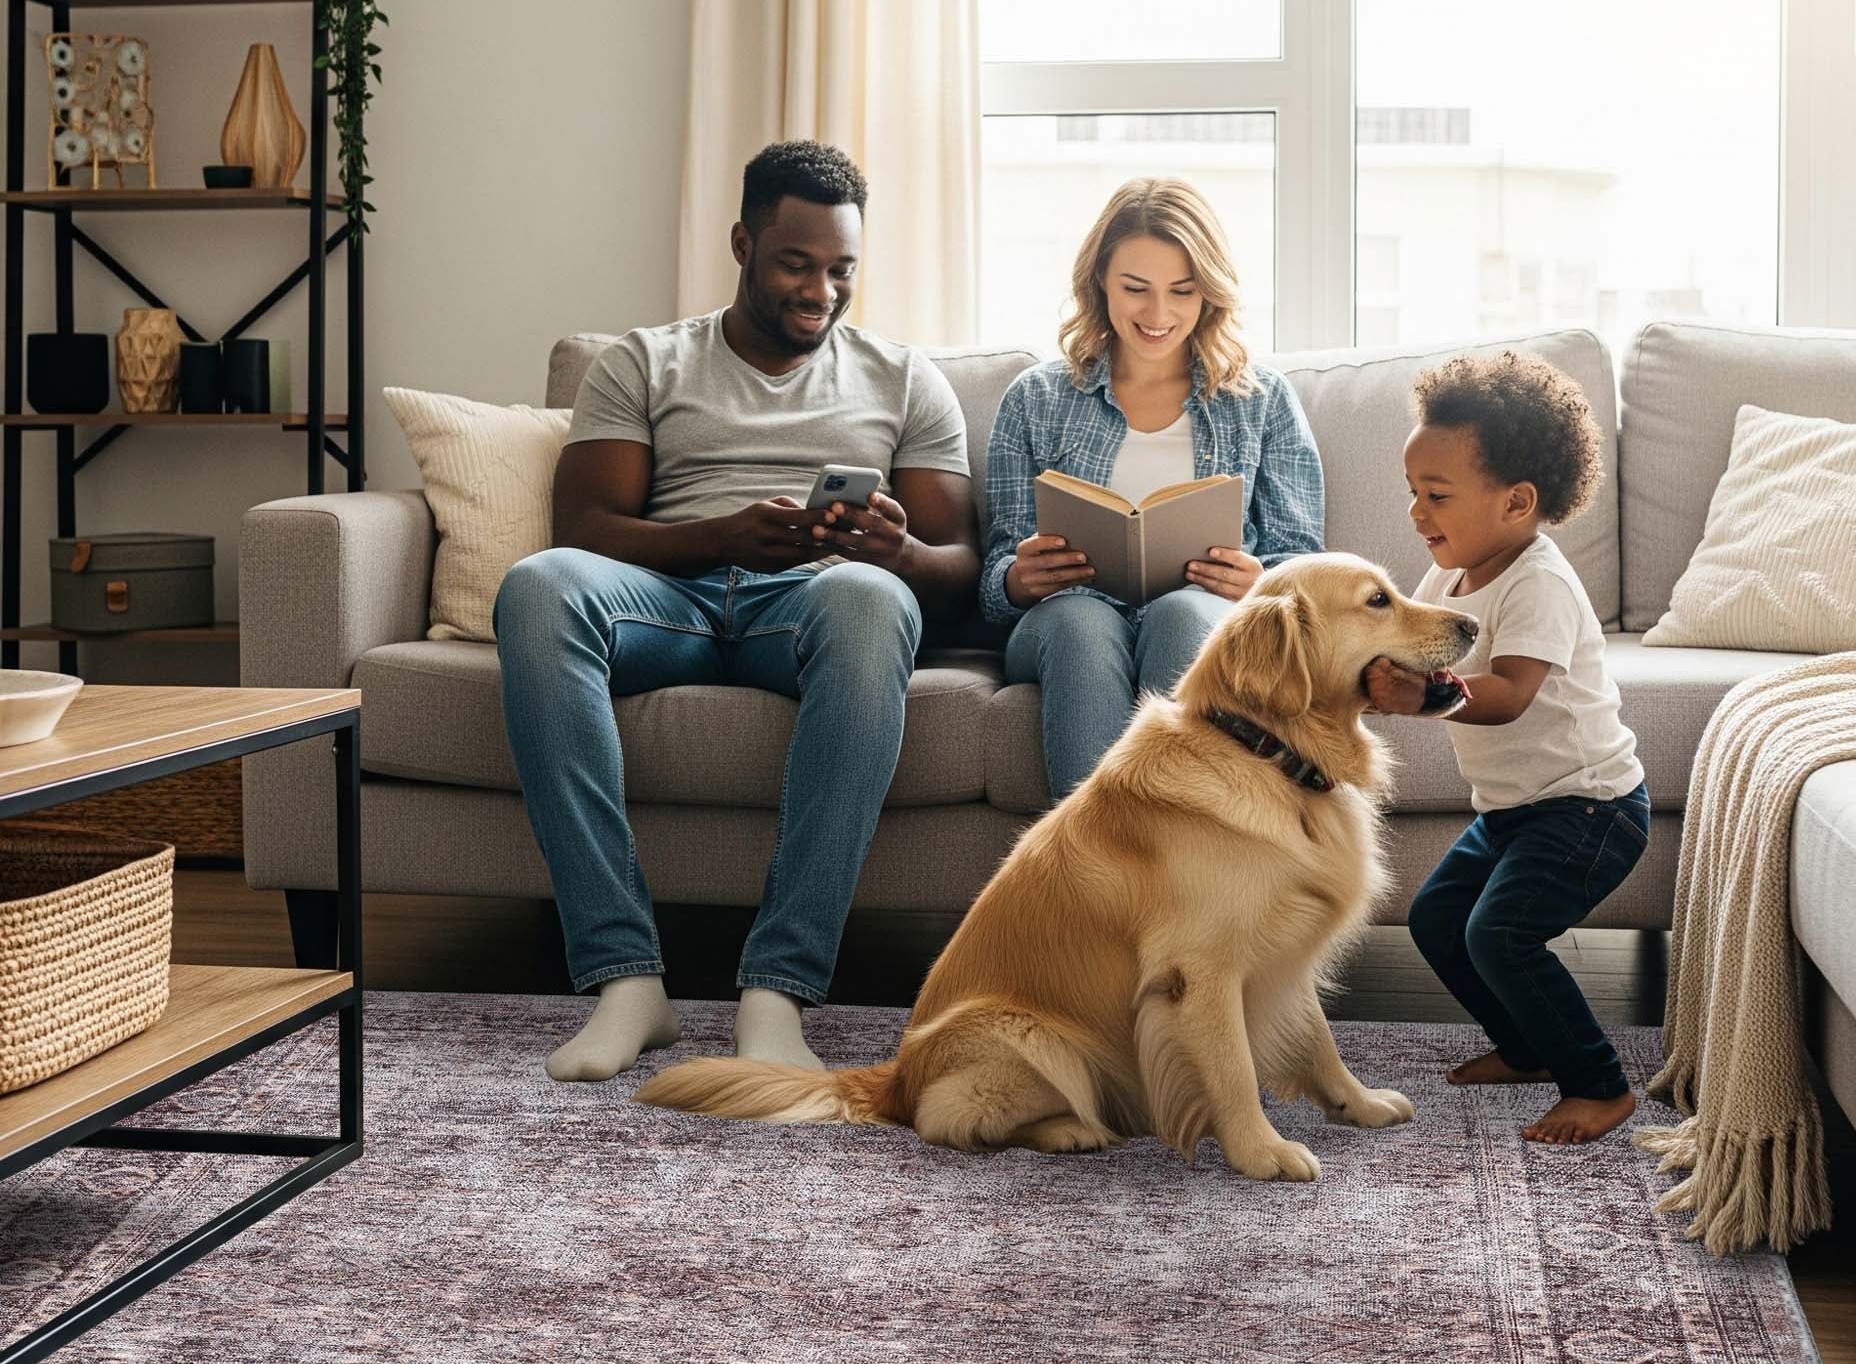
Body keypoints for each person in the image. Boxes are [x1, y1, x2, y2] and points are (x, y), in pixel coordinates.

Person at [494, 140, 978, 1083]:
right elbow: (582, 525)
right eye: (796, 263)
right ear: (742, 244)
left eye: (841, 270)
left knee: (871, 600)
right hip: (668, 597)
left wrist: (898, 552)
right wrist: (722, 536)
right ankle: (626, 980)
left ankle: (779, 991)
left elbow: (961, 566)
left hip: (811, 605)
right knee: (539, 585)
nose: (821, 291)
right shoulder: (641, 362)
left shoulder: (903, 378)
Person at [1364, 351, 1649, 1145]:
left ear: (1518, 502)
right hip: (1514, 810)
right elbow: (1402, 651)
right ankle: (1526, 1049)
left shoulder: (1538, 582)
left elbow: (1511, 691)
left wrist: (1421, 696)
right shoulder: (1442, 582)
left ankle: (1599, 1083)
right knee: (1437, 920)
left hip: (1589, 808)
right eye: (1414, 493)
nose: (1419, 513)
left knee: (1500, 932)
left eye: (1439, 495)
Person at [979, 178, 1325, 799]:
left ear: (1209, 294)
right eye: (1135, 289)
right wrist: (1015, 579)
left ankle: (1177, 873)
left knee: (1183, 613)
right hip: (1064, 623)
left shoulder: (1263, 401)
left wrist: (1260, 586)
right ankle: (1090, 873)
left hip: (1200, 613)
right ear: (1099, 285)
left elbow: (1301, 566)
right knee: (1082, 624)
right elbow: (995, 580)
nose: (1158, 315)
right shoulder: (1035, 398)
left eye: (1182, 292)